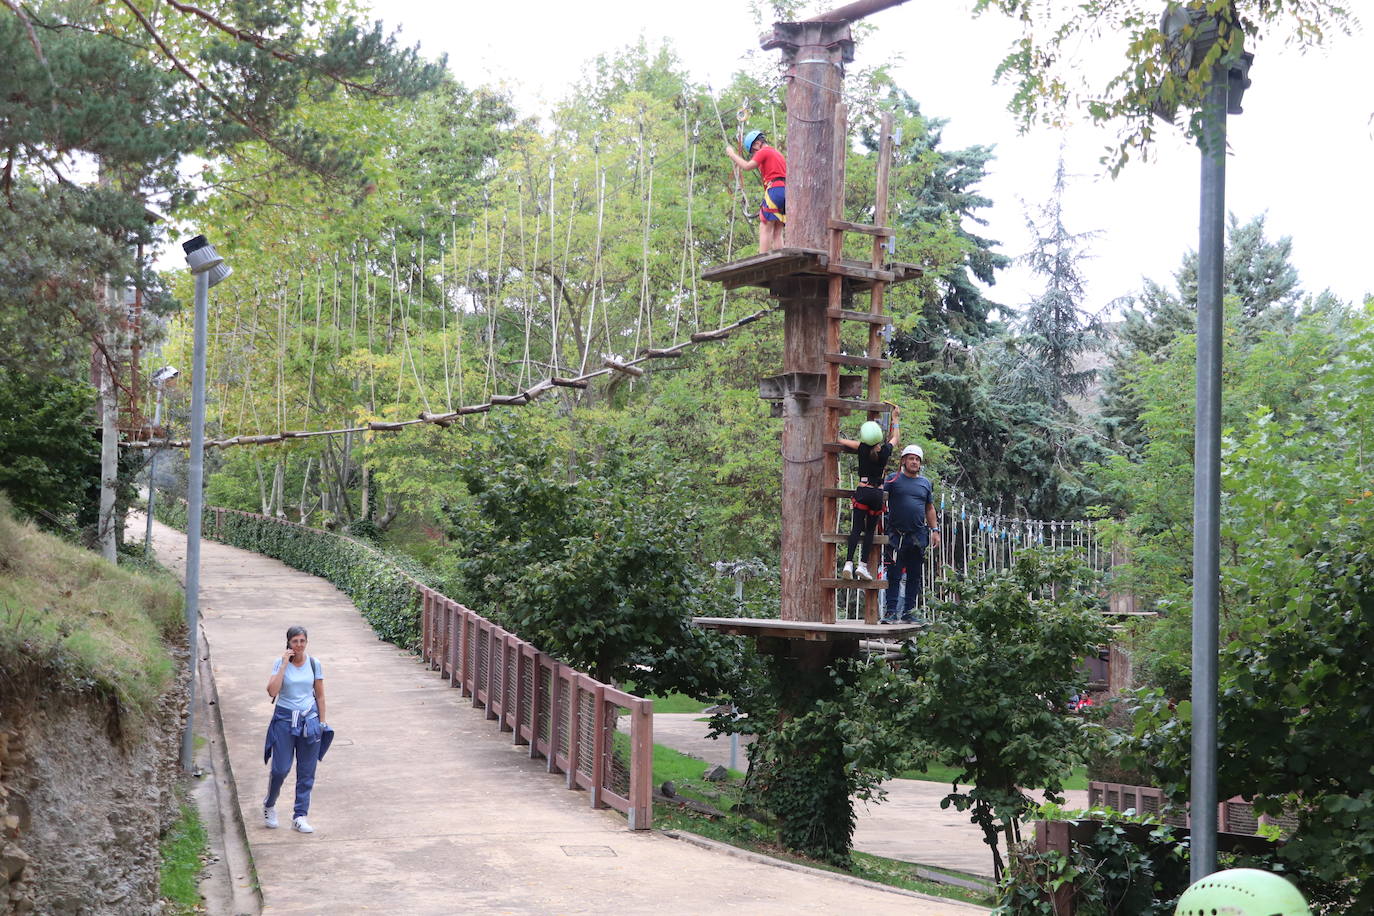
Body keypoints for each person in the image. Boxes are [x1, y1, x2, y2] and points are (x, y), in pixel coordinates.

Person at [263, 625, 327, 834]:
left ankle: (300, 816)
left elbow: (320, 695)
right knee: (280, 769)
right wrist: (283, 665)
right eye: (294, 641)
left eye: (302, 641)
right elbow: (272, 690)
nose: (298, 645)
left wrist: (322, 722)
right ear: (288, 643)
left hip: (309, 720)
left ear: (306, 642)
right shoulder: (279, 663)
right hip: (284, 718)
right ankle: (270, 804)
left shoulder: (314, 664)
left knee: (307, 771)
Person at [837, 405, 900, 581]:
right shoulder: (885, 450)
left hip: (862, 490)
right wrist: (895, 419)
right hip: (877, 494)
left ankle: (849, 563)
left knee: (856, 528)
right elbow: (895, 438)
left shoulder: (862, 448)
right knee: (870, 531)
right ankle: (863, 566)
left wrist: (837, 436)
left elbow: (842, 442)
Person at [882, 444, 940, 623]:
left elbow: (929, 508)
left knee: (914, 575)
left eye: (917, 459)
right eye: (911, 458)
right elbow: (881, 498)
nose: (914, 462)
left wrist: (935, 530)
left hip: (917, 534)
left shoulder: (925, 483)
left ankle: (909, 611)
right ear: (904, 461)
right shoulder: (893, 479)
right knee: (894, 573)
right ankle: (891, 611)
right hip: (896, 534)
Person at [725, 129, 786, 254]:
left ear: (757, 143)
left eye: (753, 151)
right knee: (777, 230)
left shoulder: (763, 151)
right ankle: (780, 258)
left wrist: (732, 154)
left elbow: (747, 166)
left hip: (774, 189)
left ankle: (762, 258)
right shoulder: (778, 154)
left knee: (765, 225)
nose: (754, 154)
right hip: (785, 192)